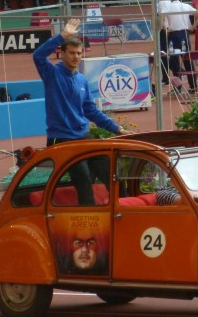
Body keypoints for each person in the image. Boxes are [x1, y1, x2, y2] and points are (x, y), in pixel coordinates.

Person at [33, 18, 133, 205]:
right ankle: (90, 221)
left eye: (79, 53)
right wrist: (62, 36)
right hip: (61, 139)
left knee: (110, 169)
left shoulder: (82, 80)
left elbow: (91, 111)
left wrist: (118, 129)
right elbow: (38, 56)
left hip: (82, 136)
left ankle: (127, 208)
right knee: (83, 177)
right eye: (71, 53)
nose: (76, 57)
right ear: (61, 53)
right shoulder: (51, 74)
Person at [163, 0, 198, 93]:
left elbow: (163, 22)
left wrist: (166, 29)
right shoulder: (185, 6)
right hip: (184, 34)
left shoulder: (168, 8)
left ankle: (178, 87)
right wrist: (192, 28)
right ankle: (193, 85)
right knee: (187, 60)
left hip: (173, 35)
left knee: (174, 61)